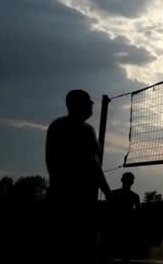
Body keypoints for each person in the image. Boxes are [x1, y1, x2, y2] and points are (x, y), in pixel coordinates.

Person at [45, 89, 112, 264]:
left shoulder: (56, 125)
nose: (92, 104)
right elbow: (93, 164)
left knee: (60, 248)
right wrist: (108, 192)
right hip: (77, 201)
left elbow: (51, 163)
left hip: (59, 196)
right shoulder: (83, 129)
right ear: (77, 104)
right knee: (81, 250)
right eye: (88, 101)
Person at [108, 172, 141, 263]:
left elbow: (138, 212)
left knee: (124, 249)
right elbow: (138, 212)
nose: (128, 182)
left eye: (128, 180)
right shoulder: (133, 196)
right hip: (120, 225)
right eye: (128, 180)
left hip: (121, 225)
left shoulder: (115, 193)